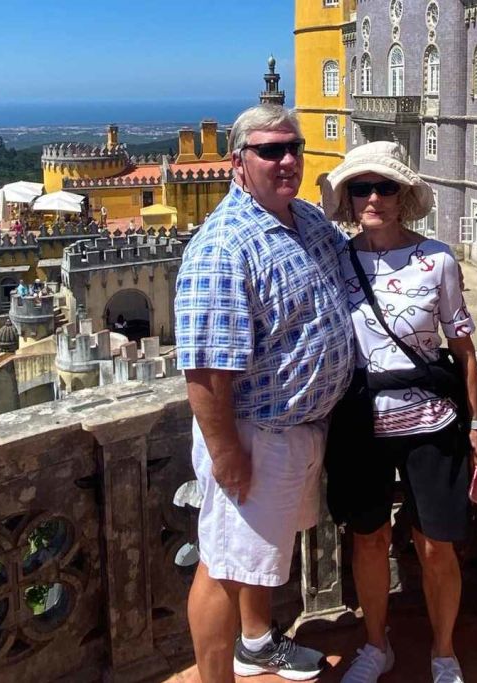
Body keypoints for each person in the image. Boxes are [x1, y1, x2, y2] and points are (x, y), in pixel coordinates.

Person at [174, 104, 354, 683]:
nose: (286, 161)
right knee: (224, 566)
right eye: (270, 151)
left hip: (302, 430)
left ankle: (255, 644)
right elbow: (206, 370)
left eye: (293, 148)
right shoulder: (223, 246)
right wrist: (227, 454)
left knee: (252, 556)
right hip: (255, 436)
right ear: (238, 162)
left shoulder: (306, 220)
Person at [320, 141, 477, 683]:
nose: (373, 198)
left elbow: (464, 351)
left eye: (385, 187)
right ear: (350, 200)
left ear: (403, 196)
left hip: (431, 421)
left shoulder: (438, 260)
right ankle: (377, 646)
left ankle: (444, 654)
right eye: (361, 188)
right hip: (361, 422)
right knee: (369, 538)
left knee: (436, 544)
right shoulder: (335, 260)